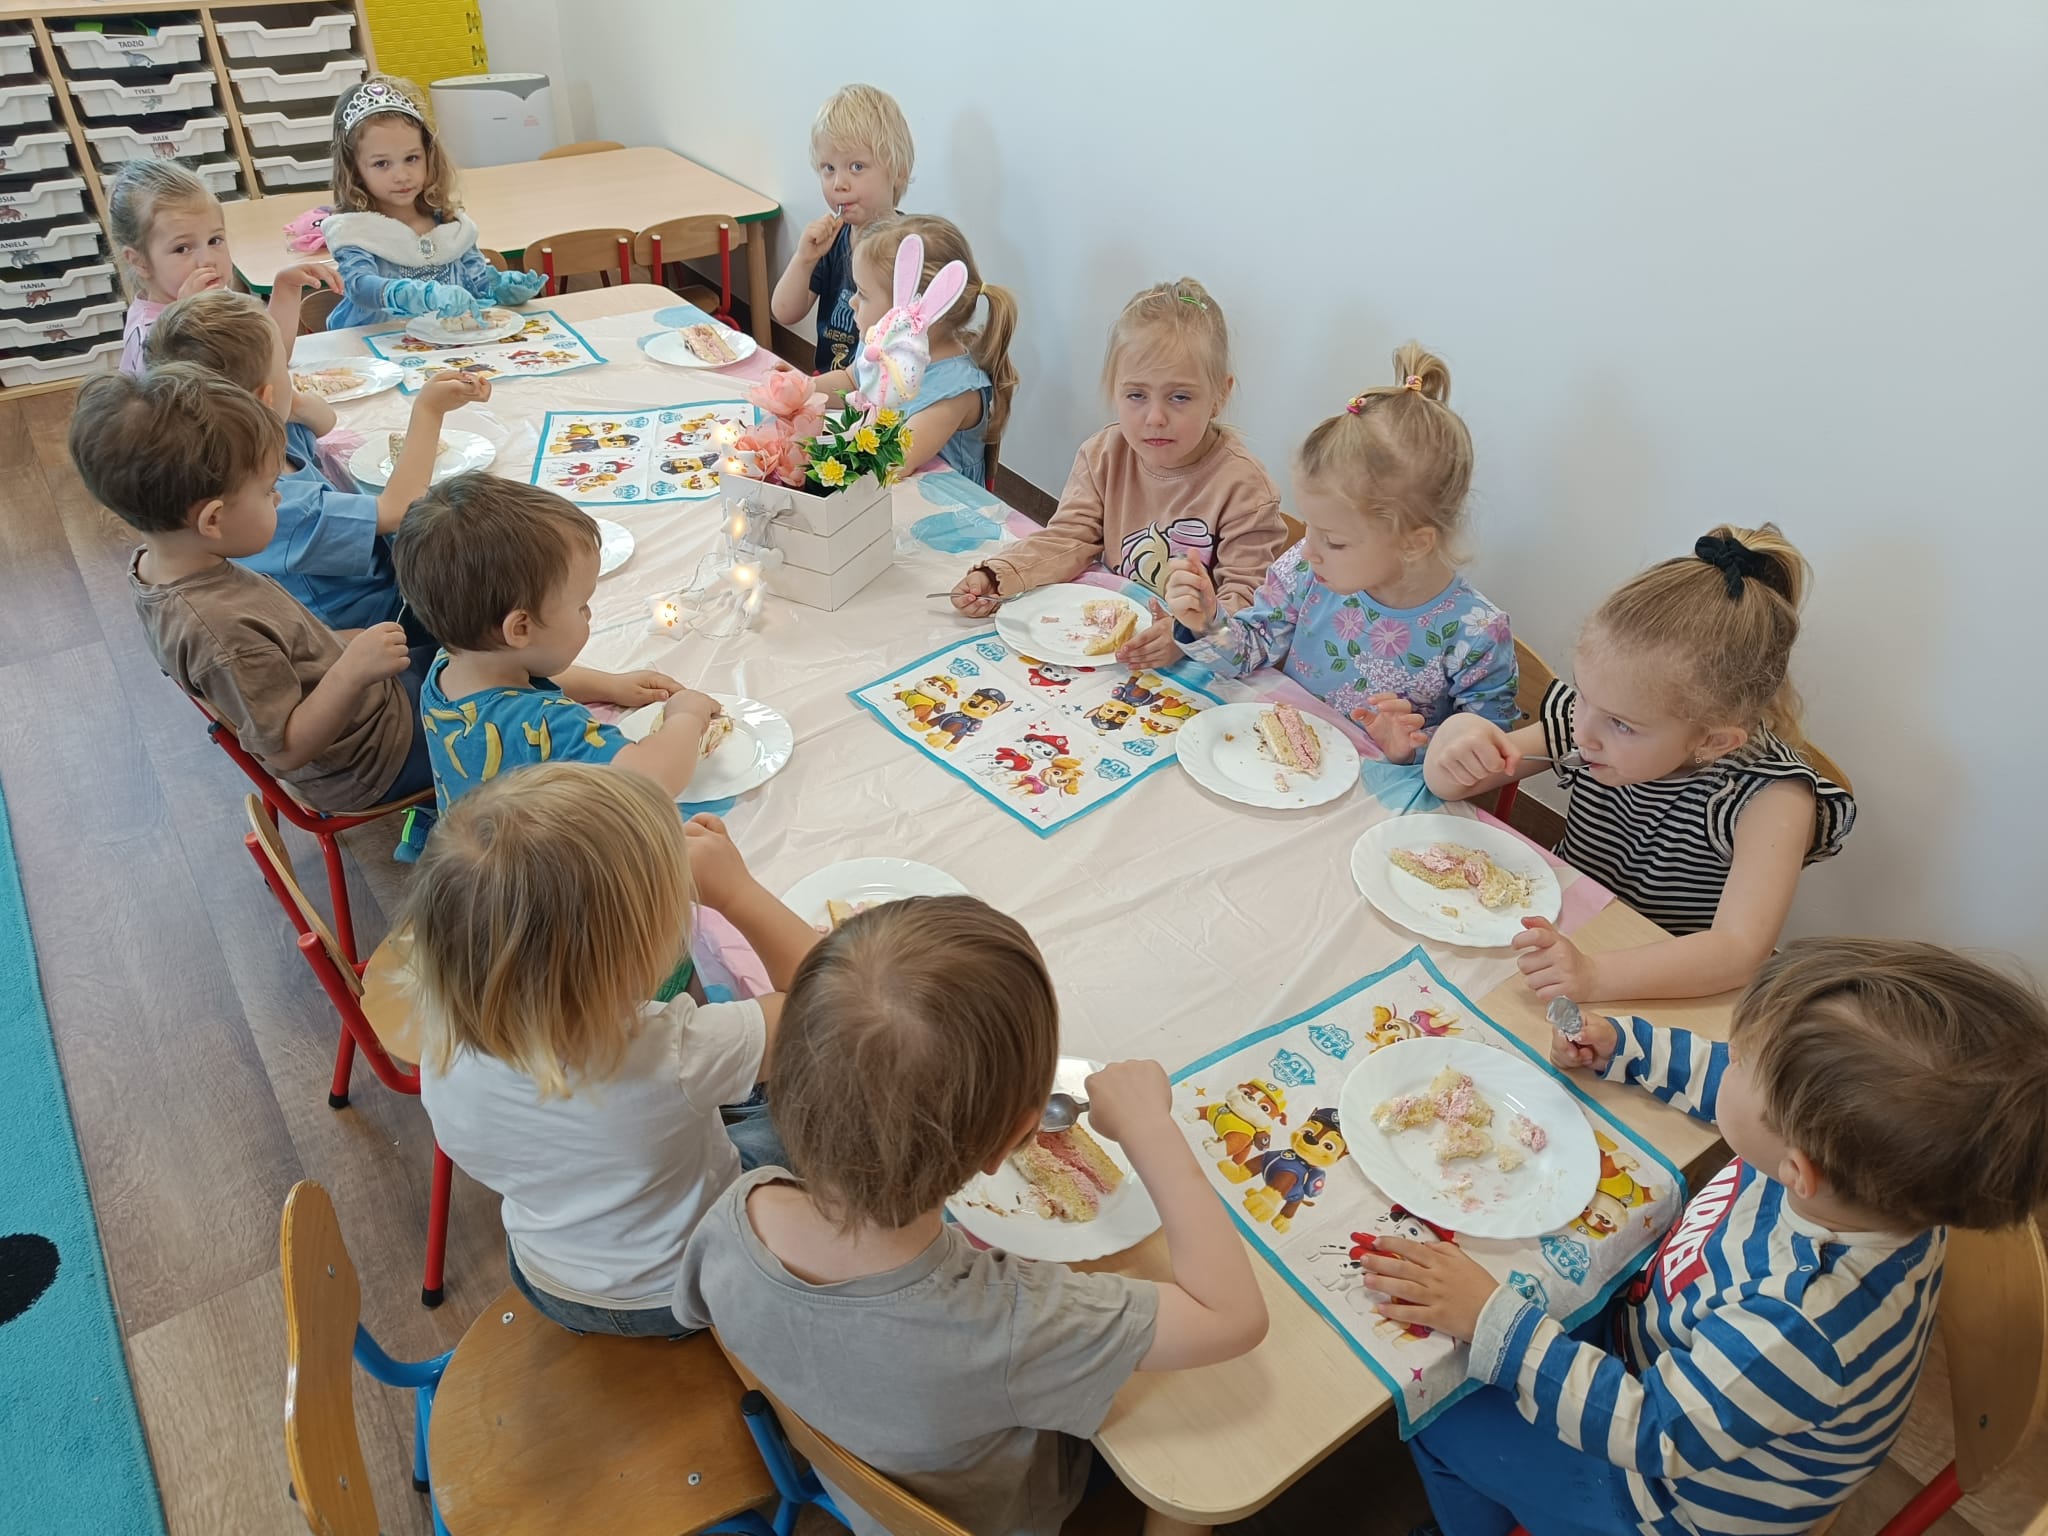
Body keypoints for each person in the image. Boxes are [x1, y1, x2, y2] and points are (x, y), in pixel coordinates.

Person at [1359, 937, 2048, 1536]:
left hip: (1668, 1498)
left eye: (1744, 1059)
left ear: (1798, 1169)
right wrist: (1624, 1046)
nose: (1729, 1058)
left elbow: (1650, 1429)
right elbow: (1738, 1088)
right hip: (1673, 1354)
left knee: (1442, 1412)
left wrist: (1491, 1321)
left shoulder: (1799, 1325)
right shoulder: (1866, 1185)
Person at [675, 896, 1268, 1536]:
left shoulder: (741, 1207)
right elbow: (1233, 1318)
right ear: (1012, 1139)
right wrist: (1151, 1127)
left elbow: (699, 1312)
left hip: (848, 1486)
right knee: (1197, 1459)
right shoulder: (1013, 1321)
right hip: (1001, 1516)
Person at [408, 762, 817, 1335]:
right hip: (682, 1286)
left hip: (547, 1275)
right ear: (623, 963)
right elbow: (826, 1008)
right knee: (820, 1114)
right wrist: (738, 893)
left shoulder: (444, 1036)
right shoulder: (672, 1052)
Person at [1423, 524, 1855, 1001]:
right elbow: (1453, 785)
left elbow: (1738, 952)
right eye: (1583, 695)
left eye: (1622, 725)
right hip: (1564, 934)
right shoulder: (1589, 723)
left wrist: (1594, 975)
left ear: (1713, 740)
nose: (1584, 732)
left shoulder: (1771, 799)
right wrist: (1455, 741)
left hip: (1663, 985)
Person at [69, 365, 430, 811]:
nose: (278, 498)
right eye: (268, 490)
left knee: (468, 646)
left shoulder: (159, 562)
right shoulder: (222, 631)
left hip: (365, 706)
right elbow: (285, 751)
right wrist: (351, 670)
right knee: (506, 693)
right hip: (374, 758)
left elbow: (278, 651)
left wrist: (335, 646)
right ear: (213, 520)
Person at [1165, 343, 1516, 763]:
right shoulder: (1308, 571)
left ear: (1414, 542)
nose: (1309, 549)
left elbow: (1485, 756)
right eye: (1309, 526)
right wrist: (1207, 624)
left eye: (1334, 540)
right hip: (1282, 764)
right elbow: (1247, 650)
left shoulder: (1476, 634)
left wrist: (1413, 750)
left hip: (1379, 792)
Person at [950, 278, 1290, 670]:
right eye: (1136, 395)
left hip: (1199, 664)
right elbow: (1068, 539)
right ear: (1115, 391)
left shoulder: (1246, 490)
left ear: (1219, 396)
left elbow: (1247, 610)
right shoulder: (1103, 454)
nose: (1155, 417)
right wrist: (999, 576)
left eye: (1180, 397)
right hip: (1112, 647)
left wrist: (1187, 633)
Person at [145, 287, 487, 633]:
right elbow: (396, 511)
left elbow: (326, 422)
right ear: (265, 397)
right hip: (378, 619)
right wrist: (429, 410)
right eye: (285, 367)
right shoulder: (274, 501)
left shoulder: (255, 442)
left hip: (379, 586)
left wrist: (288, 402)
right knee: (486, 565)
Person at [389, 472, 721, 811]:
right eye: (581, 606)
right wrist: (687, 716)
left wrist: (610, 685)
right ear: (520, 629)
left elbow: (520, 684)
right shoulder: (548, 724)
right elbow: (651, 780)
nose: (589, 614)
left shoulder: (449, 665)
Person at [321, 75, 547, 329]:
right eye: (382, 163)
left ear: (429, 155)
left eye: (412, 158)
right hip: (380, 344)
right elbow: (359, 286)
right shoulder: (355, 231)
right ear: (354, 170)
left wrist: (503, 288)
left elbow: (477, 283)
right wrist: (413, 294)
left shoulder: (450, 223)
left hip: (452, 344)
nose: (402, 176)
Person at [813, 213, 1016, 483]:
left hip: (935, 503)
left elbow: (894, 462)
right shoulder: (881, 345)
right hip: (886, 489)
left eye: (863, 293)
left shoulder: (955, 390)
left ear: (915, 311)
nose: (852, 302)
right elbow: (852, 381)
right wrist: (804, 390)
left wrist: (819, 457)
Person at [107, 158, 339, 375]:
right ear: (140, 262)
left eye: (214, 240)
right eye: (182, 249)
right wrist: (189, 321)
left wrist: (286, 289)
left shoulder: (215, 295)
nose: (207, 259)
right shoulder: (149, 336)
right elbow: (193, 398)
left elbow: (267, 362)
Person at [770, 83, 915, 373]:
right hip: (829, 381)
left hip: (882, 390)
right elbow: (785, 312)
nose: (839, 183)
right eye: (829, 168)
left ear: (897, 172)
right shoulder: (832, 240)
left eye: (857, 167)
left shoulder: (908, 247)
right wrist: (803, 259)